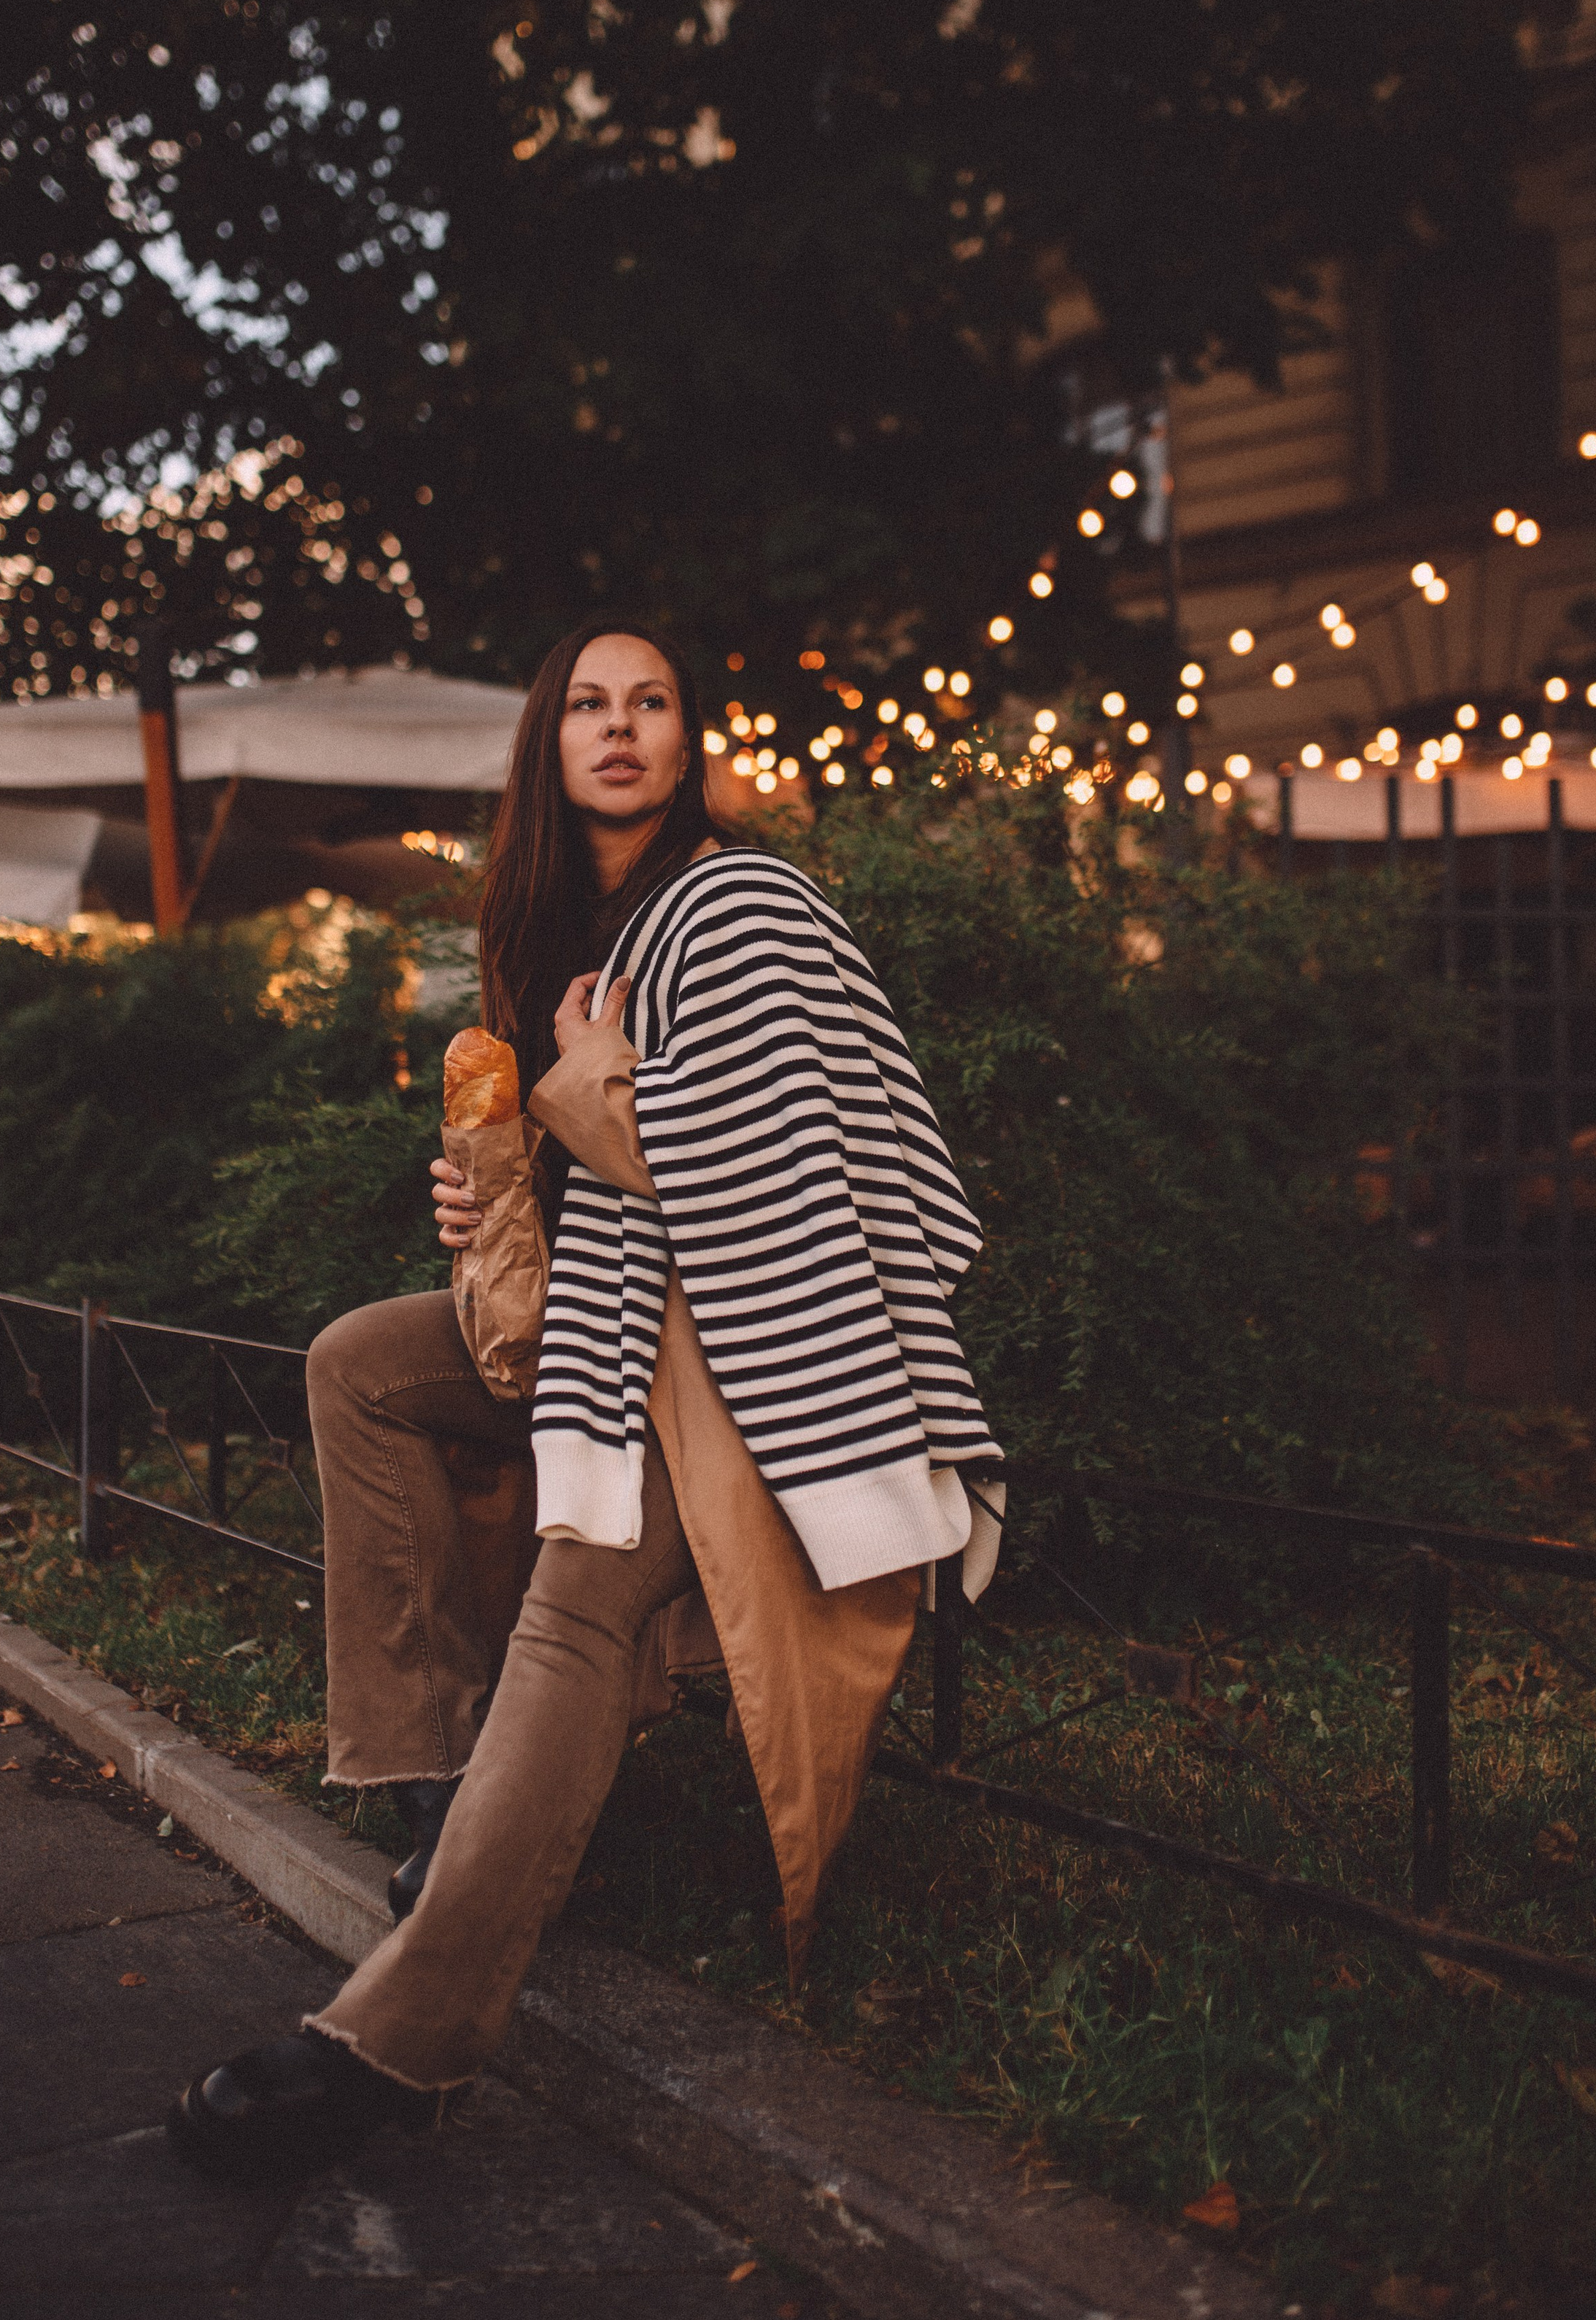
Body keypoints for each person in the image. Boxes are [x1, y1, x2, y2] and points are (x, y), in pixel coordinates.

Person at [168, 620, 1004, 2180]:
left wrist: (583, 1086)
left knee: (578, 1596)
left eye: (652, 702)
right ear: (549, 743)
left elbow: (761, 1166)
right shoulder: (569, 927)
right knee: (361, 1363)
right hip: (614, 1329)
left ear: (688, 739)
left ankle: (398, 2044)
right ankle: (445, 1798)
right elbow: (596, 1180)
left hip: (751, 1366)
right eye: (589, 706)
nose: (620, 727)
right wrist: (488, 1197)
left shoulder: (739, 903)